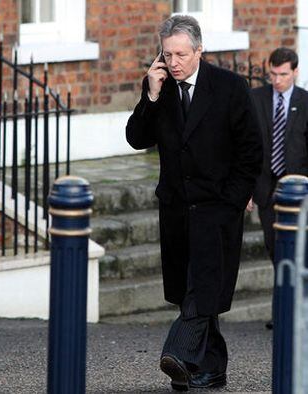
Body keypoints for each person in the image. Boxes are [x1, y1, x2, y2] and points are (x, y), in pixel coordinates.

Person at [126, 15, 262, 391]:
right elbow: (136, 138)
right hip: (176, 210)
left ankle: (179, 355)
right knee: (198, 289)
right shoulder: (160, 86)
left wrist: (233, 201)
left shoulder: (230, 87)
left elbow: (251, 150)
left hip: (217, 209)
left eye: (181, 54)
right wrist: (151, 95)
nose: (174, 62)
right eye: (167, 54)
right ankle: (212, 370)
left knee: (201, 290)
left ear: (200, 51)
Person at [249, 48, 308, 329]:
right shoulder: (256, 98)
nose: (277, 80)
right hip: (265, 187)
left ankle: (292, 309)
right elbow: (245, 145)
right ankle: (284, 308)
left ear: (295, 72)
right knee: (275, 248)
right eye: (272, 74)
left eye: (283, 74)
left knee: (296, 249)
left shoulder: (305, 102)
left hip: (297, 189)